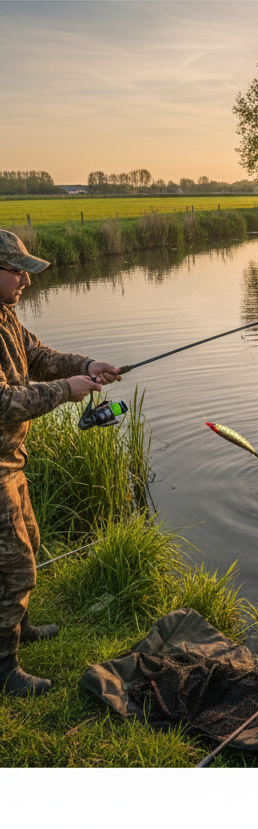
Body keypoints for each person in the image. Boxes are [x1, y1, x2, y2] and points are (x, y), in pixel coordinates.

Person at [0, 229, 121, 696]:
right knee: (15, 567)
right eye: (17, 272)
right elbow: (3, 402)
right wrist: (65, 392)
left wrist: (87, 366)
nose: (25, 282)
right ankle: (3, 667)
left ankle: (19, 625)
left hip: (11, 458)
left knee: (28, 538)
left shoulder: (6, 315)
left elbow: (39, 356)